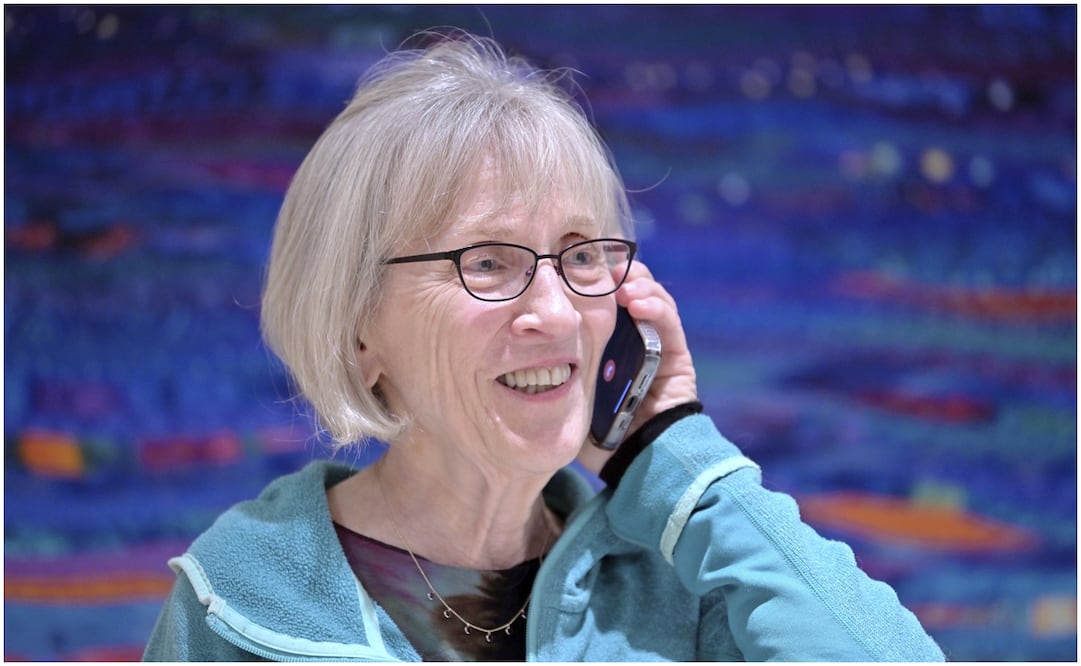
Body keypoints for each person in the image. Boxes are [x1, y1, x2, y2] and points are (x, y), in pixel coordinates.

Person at [143, 31, 945, 662]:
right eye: (488, 261)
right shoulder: (239, 601)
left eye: (582, 255)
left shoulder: (685, 580)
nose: (558, 313)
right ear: (358, 325)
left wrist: (677, 461)